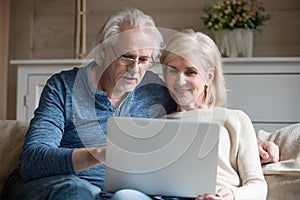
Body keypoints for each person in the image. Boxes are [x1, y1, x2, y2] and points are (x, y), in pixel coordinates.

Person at [1, 7, 277, 200]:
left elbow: (201, 113)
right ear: (105, 50)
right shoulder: (63, 87)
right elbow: (33, 160)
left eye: (144, 60)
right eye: (126, 57)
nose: (135, 69)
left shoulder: (156, 93)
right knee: (80, 193)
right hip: (53, 188)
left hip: (117, 195)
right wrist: (101, 153)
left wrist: (256, 142)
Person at [160, 29, 268, 199]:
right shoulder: (159, 123)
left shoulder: (233, 119)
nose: (179, 81)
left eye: (190, 72)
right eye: (173, 70)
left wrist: (232, 195)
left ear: (209, 77)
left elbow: (258, 186)